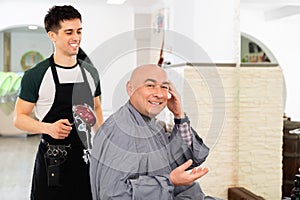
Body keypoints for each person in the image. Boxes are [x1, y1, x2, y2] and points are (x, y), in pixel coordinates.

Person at [90, 64, 220, 199]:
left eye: (164, 87)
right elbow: (113, 194)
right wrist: (169, 181)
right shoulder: (121, 132)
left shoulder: (153, 125)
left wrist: (179, 115)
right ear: (130, 88)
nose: (158, 94)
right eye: (150, 86)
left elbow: (181, 158)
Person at [13, 5, 103, 200]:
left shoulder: (91, 73)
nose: (76, 38)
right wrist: (48, 128)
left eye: (79, 31)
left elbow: (96, 107)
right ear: (52, 36)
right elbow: (19, 118)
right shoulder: (36, 75)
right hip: (52, 162)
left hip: (85, 160)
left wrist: (104, 143)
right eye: (69, 32)